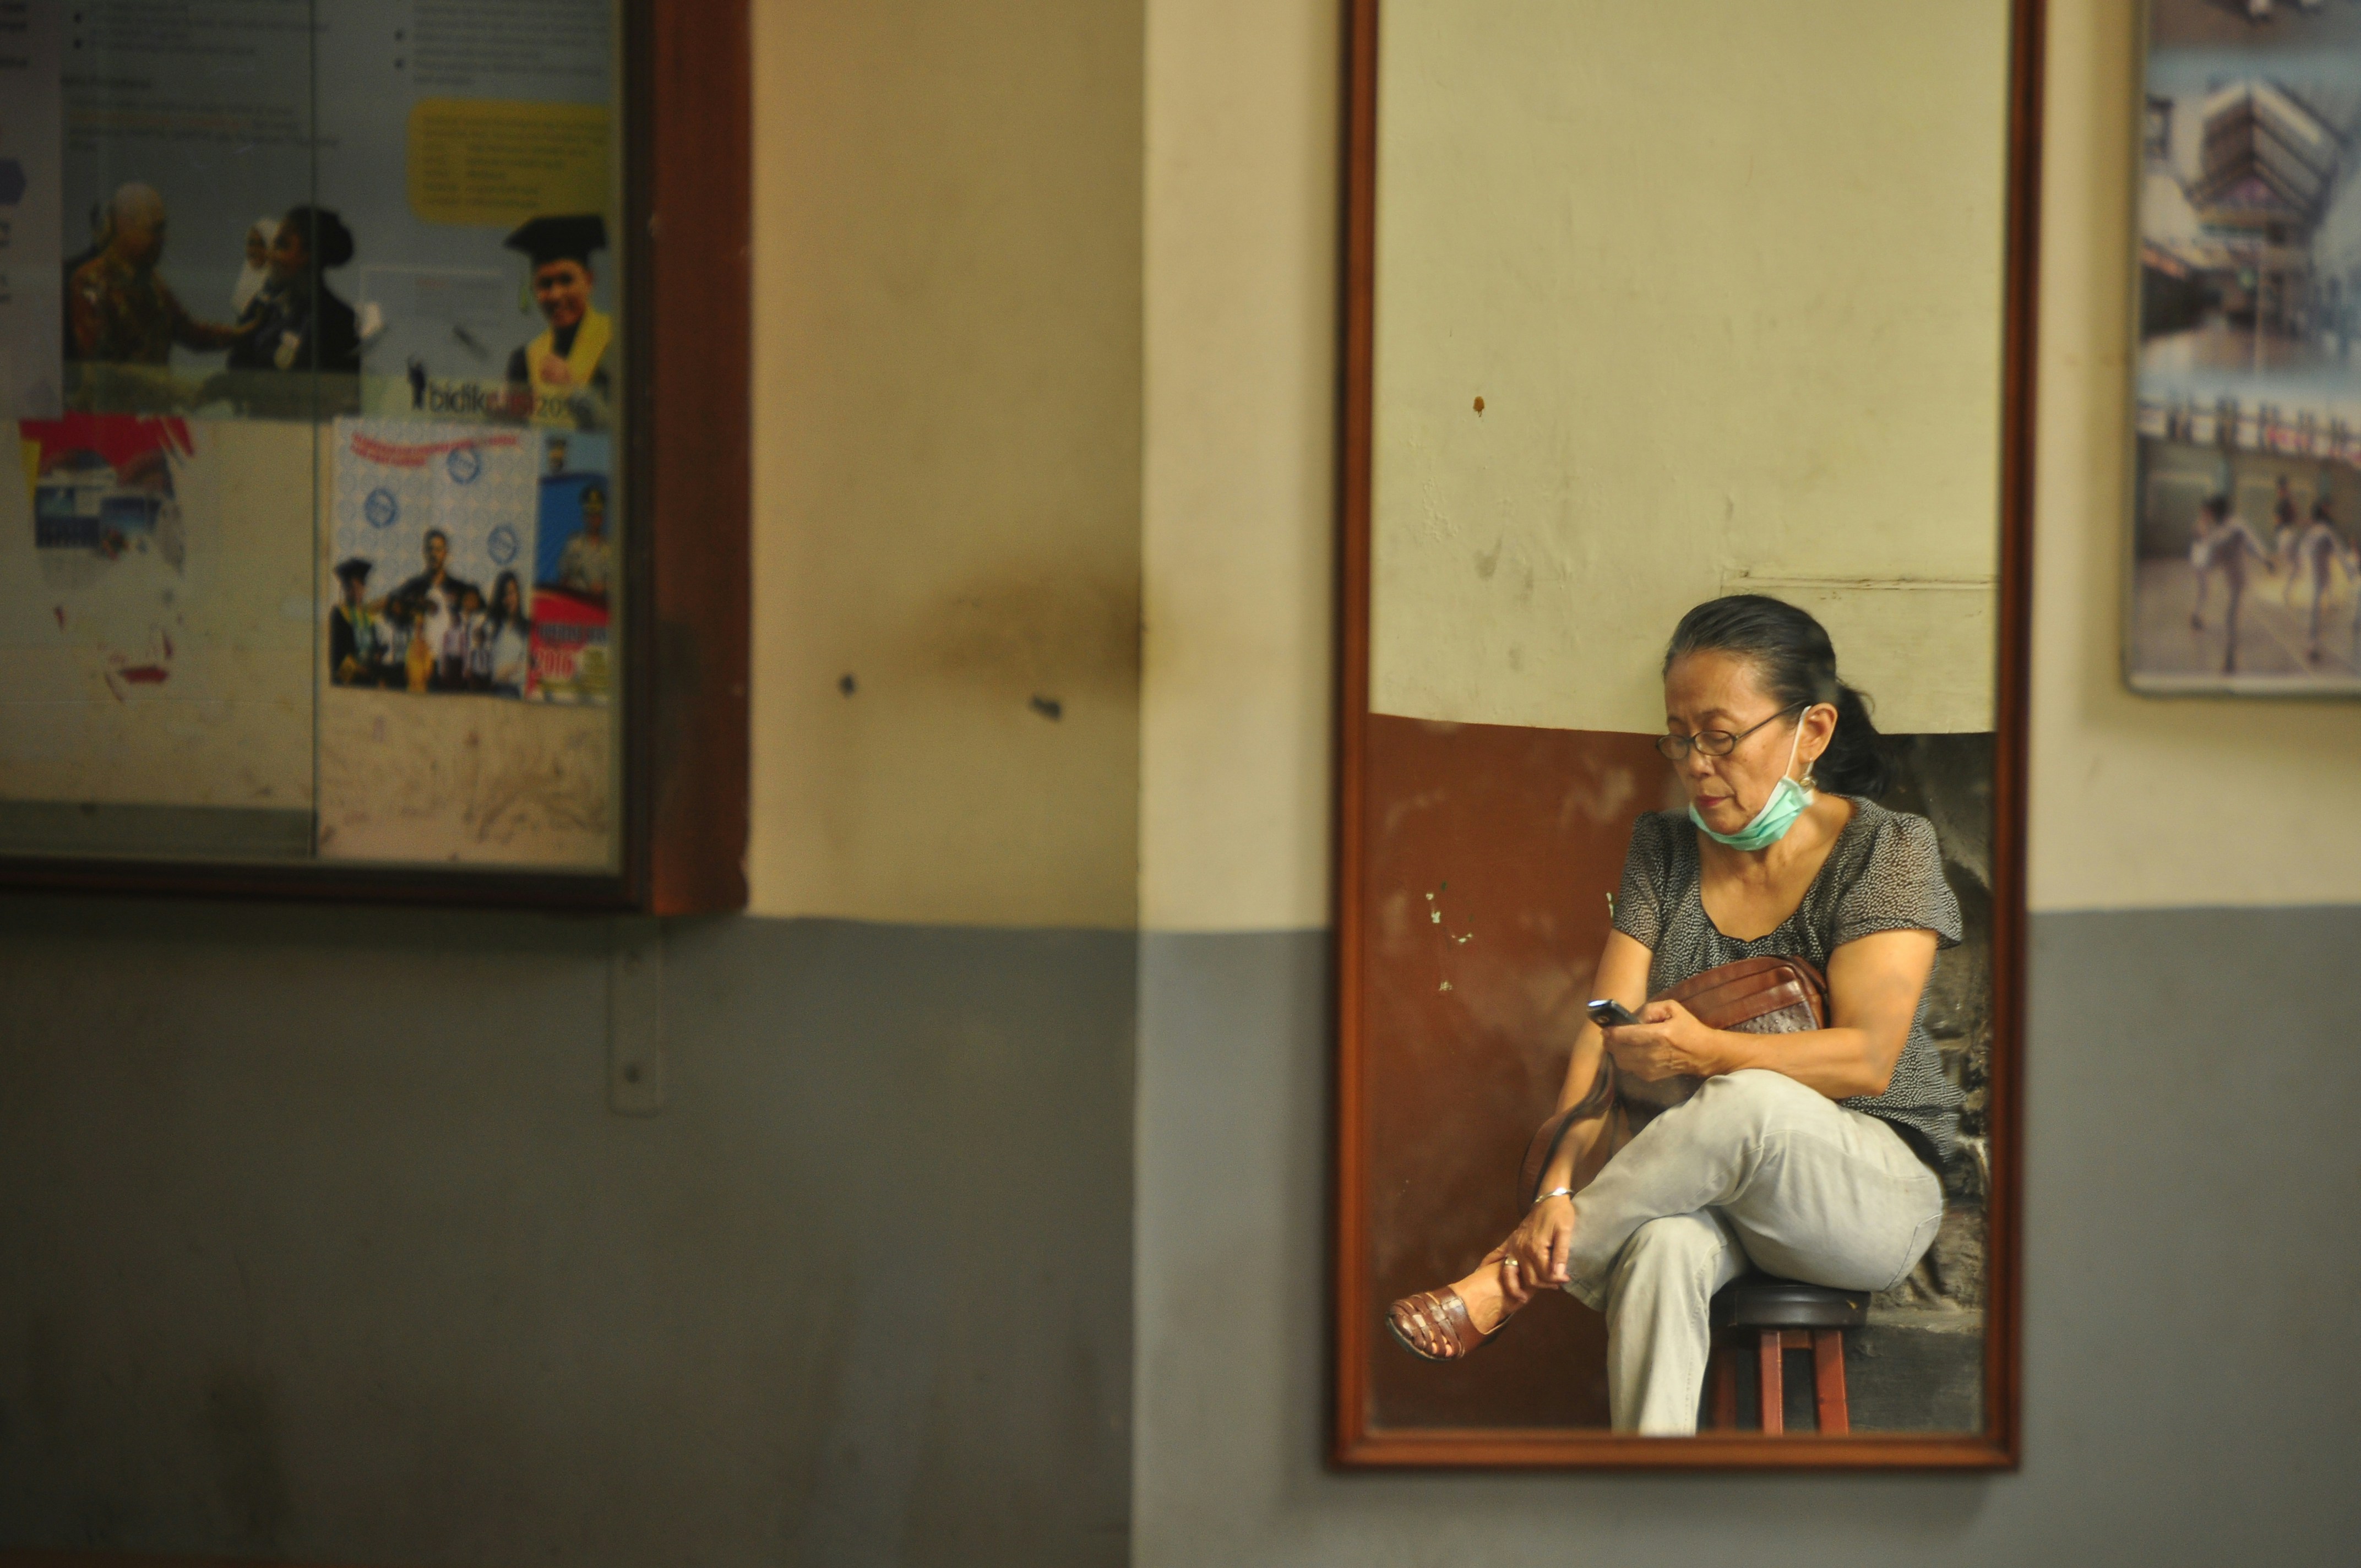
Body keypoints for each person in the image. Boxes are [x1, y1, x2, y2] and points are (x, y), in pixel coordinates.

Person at [1386, 595, 1962, 1436]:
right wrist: (1555, 1184)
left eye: (1721, 736)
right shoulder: (1663, 847)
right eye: (1679, 736)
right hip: (1710, 1187)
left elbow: (1869, 1058)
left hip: (1866, 1194)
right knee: (1659, 1252)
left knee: (1746, 1099)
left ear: (1814, 730)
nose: (1695, 762)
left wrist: (1706, 1053)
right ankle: (1644, 1511)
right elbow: (1600, 1026)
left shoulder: (1889, 847)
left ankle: (1503, 1281)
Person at [67, 183, 249, 363]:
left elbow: (187, 330)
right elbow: (101, 366)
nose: (164, 239)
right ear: (125, 225)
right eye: (156, 229)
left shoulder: (149, 281)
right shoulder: (91, 281)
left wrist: (243, 333)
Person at [503, 214, 612, 428]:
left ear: (589, 281)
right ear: (534, 290)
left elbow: (622, 427)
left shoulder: (618, 342)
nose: (555, 295)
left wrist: (571, 389)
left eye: (566, 280)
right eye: (545, 283)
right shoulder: (524, 359)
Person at [229, 205, 360, 374]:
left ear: (309, 254)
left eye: (282, 246)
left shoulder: (336, 319)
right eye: (274, 245)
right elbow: (235, 365)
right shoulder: (263, 307)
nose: (271, 255)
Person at [2190, 493, 2273, 672]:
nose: (2210, 514)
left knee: (2230, 618)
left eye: (2212, 511)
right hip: (2229, 577)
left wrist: (2265, 560)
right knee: (2229, 617)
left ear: (2219, 511)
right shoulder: (2218, 530)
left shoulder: (2236, 526)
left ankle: (2230, 658)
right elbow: (2211, 553)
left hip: (2240, 578)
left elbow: (2252, 543)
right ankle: (2230, 657)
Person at [386, 529, 479, 684]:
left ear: (446, 553)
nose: (434, 554)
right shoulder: (413, 587)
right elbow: (392, 608)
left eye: (439, 549)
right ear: (424, 553)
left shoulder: (459, 588)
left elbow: (478, 608)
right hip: (418, 665)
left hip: (450, 668)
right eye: (430, 549)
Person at [328, 557, 383, 686]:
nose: (356, 592)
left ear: (364, 589)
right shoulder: (339, 615)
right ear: (345, 590)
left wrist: (377, 656)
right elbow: (336, 654)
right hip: (347, 681)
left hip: (368, 680)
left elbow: (374, 649)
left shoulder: (368, 617)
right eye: (351, 588)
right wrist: (358, 669)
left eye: (360, 587)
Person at [554, 483, 611, 599]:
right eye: (590, 515)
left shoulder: (612, 549)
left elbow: (619, 583)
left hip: (602, 607)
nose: (593, 519)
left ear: (602, 518)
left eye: (596, 515)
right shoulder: (573, 544)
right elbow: (562, 579)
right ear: (584, 517)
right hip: (578, 606)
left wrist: (604, 587)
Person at [485, 571, 534, 696]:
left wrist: (509, 671)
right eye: (505, 595)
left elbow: (529, 668)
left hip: (514, 692)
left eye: (512, 593)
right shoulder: (491, 627)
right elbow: (488, 668)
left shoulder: (526, 629)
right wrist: (503, 673)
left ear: (518, 594)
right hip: (490, 692)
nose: (509, 599)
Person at [231, 218, 278, 314]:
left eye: (262, 244)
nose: (255, 250)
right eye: (251, 243)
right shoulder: (245, 279)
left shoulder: (278, 289)